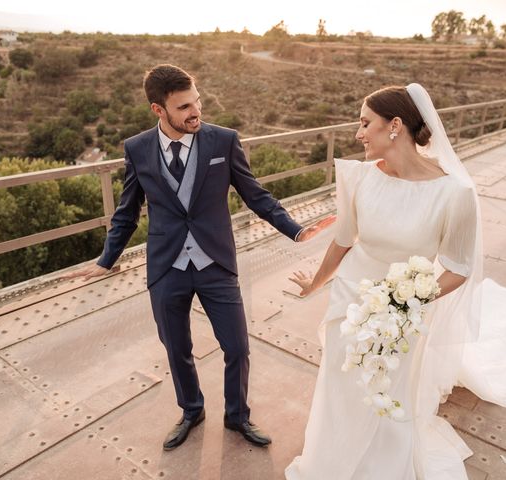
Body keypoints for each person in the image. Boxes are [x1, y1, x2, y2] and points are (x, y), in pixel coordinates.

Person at [286, 84, 506, 479]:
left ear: (395, 126)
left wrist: (408, 302)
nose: (358, 134)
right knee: (339, 382)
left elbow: (459, 267)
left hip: (405, 311)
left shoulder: (454, 193)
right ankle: (329, 459)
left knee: (386, 390)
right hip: (350, 295)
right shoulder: (357, 177)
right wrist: (317, 283)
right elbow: (344, 240)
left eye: (365, 123)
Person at [65, 64, 334, 451]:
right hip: (166, 267)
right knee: (177, 349)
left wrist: (295, 229)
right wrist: (105, 261)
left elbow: (255, 194)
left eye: (197, 102)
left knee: (237, 347)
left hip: (216, 264)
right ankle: (192, 410)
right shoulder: (136, 149)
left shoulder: (223, 141)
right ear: (159, 110)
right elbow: (126, 212)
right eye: (184, 107)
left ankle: (237, 416)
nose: (196, 112)